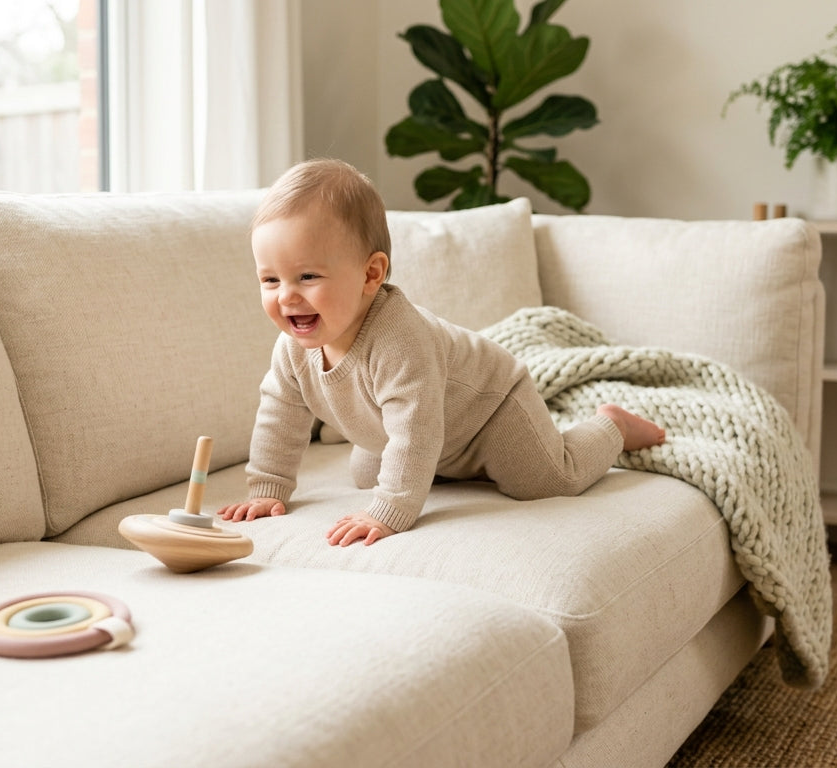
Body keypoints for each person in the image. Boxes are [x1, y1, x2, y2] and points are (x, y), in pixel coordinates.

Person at [218, 158, 666, 547]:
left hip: (489, 412)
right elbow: (281, 412)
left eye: (308, 277)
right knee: (363, 474)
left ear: (371, 274)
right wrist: (269, 486)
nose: (287, 297)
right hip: (420, 432)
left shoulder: (399, 341)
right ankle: (450, 470)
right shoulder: (292, 350)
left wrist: (389, 510)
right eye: (270, 280)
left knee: (546, 480)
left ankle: (612, 425)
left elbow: (415, 429)